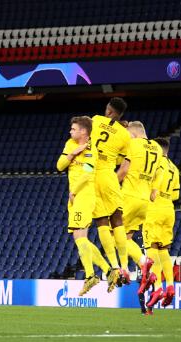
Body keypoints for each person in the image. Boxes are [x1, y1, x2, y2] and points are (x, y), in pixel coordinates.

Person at [56, 116, 111, 296]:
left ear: (83, 132)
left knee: (80, 237)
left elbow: (87, 174)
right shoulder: (70, 144)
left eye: (73, 129)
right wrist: (72, 154)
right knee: (80, 239)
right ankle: (108, 271)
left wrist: (74, 191)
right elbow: (59, 166)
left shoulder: (91, 150)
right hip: (75, 197)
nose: (70, 132)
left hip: (84, 195)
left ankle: (91, 275)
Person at [91, 97, 132, 290]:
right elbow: (120, 164)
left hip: (91, 174)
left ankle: (114, 266)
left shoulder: (96, 120)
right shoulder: (125, 135)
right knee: (117, 219)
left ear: (108, 111)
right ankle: (124, 266)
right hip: (108, 174)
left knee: (101, 221)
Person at [139, 137, 179, 312]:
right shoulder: (174, 168)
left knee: (151, 250)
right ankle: (170, 285)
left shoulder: (157, 163)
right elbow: (176, 195)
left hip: (154, 208)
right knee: (164, 251)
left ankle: (158, 289)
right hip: (169, 209)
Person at [119, 122, 161, 284]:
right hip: (144, 201)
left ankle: (140, 263)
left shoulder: (134, 144)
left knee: (113, 235)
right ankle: (144, 267)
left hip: (129, 196)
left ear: (135, 134)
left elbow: (123, 171)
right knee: (127, 238)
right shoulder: (157, 148)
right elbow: (158, 173)